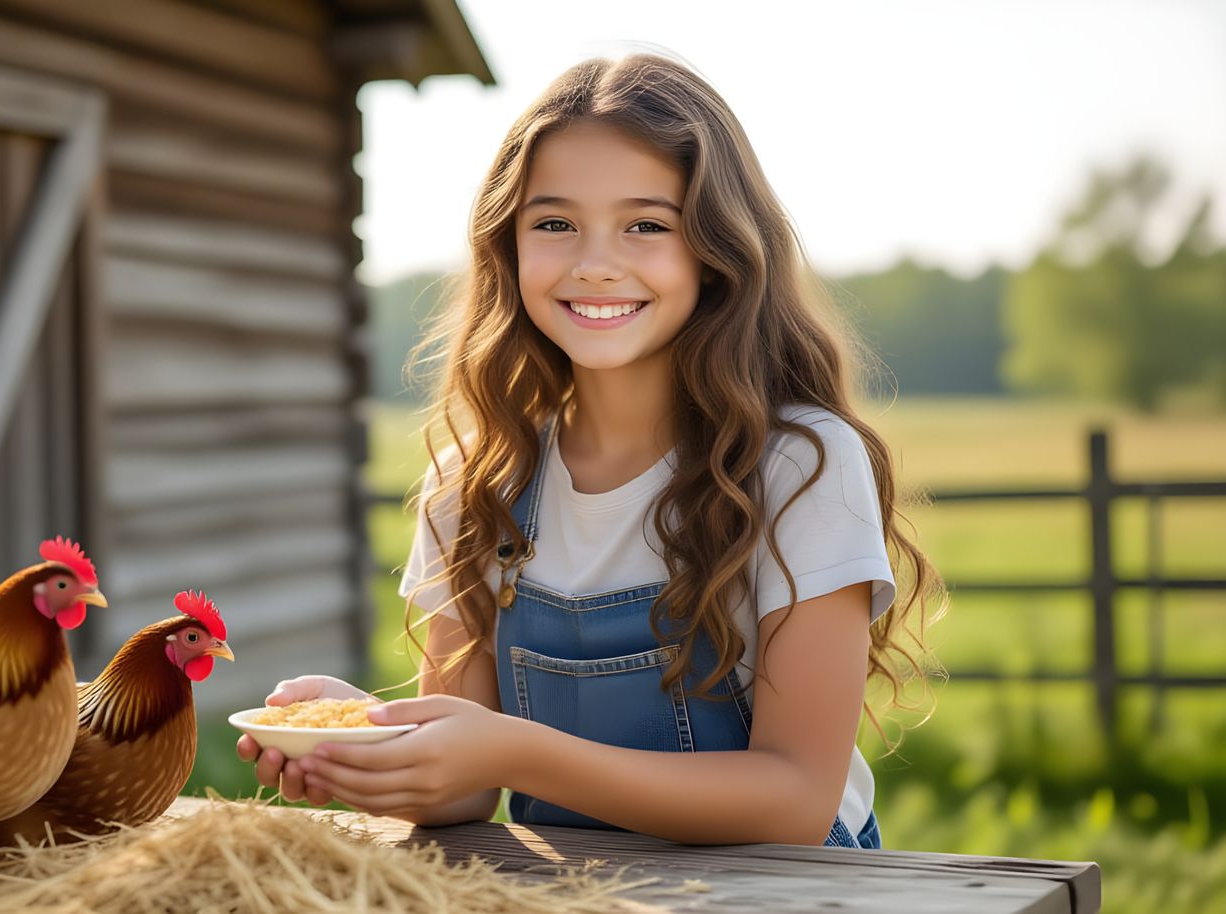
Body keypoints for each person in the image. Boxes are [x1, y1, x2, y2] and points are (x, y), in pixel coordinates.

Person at [236, 52, 943, 847]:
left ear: (716, 250)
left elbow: (796, 798)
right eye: (554, 224)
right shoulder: (474, 484)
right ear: (507, 245)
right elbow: (464, 795)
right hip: (571, 894)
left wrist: (515, 751)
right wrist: (373, 742)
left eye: (646, 225)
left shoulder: (800, 465)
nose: (595, 264)